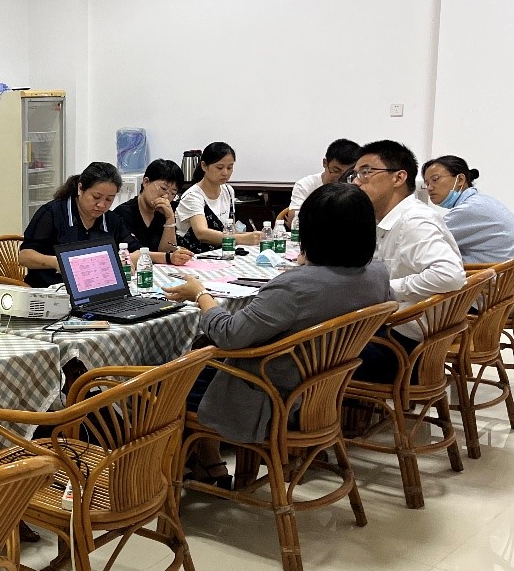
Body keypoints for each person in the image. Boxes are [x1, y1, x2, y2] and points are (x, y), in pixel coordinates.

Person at [163, 184, 394, 480]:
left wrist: (200, 294)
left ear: (312, 232)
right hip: (322, 393)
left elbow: (229, 334)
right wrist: (310, 265)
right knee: (202, 354)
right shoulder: (377, 274)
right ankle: (210, 461)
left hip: (272, 398)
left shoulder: (294, 288)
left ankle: (189, 467)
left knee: (175, 373)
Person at [350, 139, 465, 381]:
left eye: (366, 172)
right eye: (356, 174)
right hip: (398, 333)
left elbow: (450, 275)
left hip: (405, 350)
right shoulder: (390, 219)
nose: (357, 181)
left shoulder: (414, 221)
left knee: (308, 354)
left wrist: (388, 290)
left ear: (399, 177)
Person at [19, 162, 142, 288]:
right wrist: (56, 262)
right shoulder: (52, 214)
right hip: (51, 289)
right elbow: (24, 256)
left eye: (109, 199)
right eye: (96, 197)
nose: (102, 205)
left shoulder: (112, 220)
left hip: (96, 289)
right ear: (80, 189)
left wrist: (122, 260)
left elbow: (139, 252)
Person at [421, 155, 514, 264]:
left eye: (435, 179)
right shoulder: (480, 200)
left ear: (460, 179)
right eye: (427, 184)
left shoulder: (470, 209)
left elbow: (422, 242)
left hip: (493, 273)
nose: (430, 188)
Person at [174, 142, 262, 252]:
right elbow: (201, 233)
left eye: (229, 167)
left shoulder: (228, 191)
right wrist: (241, 239)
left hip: (221, 253)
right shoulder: (193, 196)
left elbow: (230, 229)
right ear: (204, 166)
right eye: (219, 168)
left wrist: (252, 236)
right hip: (194, 256)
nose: (225, 173)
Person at [110, 158, 196, 265]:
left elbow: (168, 253)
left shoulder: (165, 212)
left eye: (173, 193)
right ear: (146, 182)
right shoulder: (123, 213)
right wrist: (168, 257)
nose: (166, 196)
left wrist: (170, 219)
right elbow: (134, 254)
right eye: (163, 188)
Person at [282, 137, 361, 226]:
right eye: (336, 171)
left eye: (348, 173)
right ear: (325, 163)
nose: (340, 177)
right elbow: (294, 219)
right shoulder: (305, 185)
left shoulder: (358, 185)